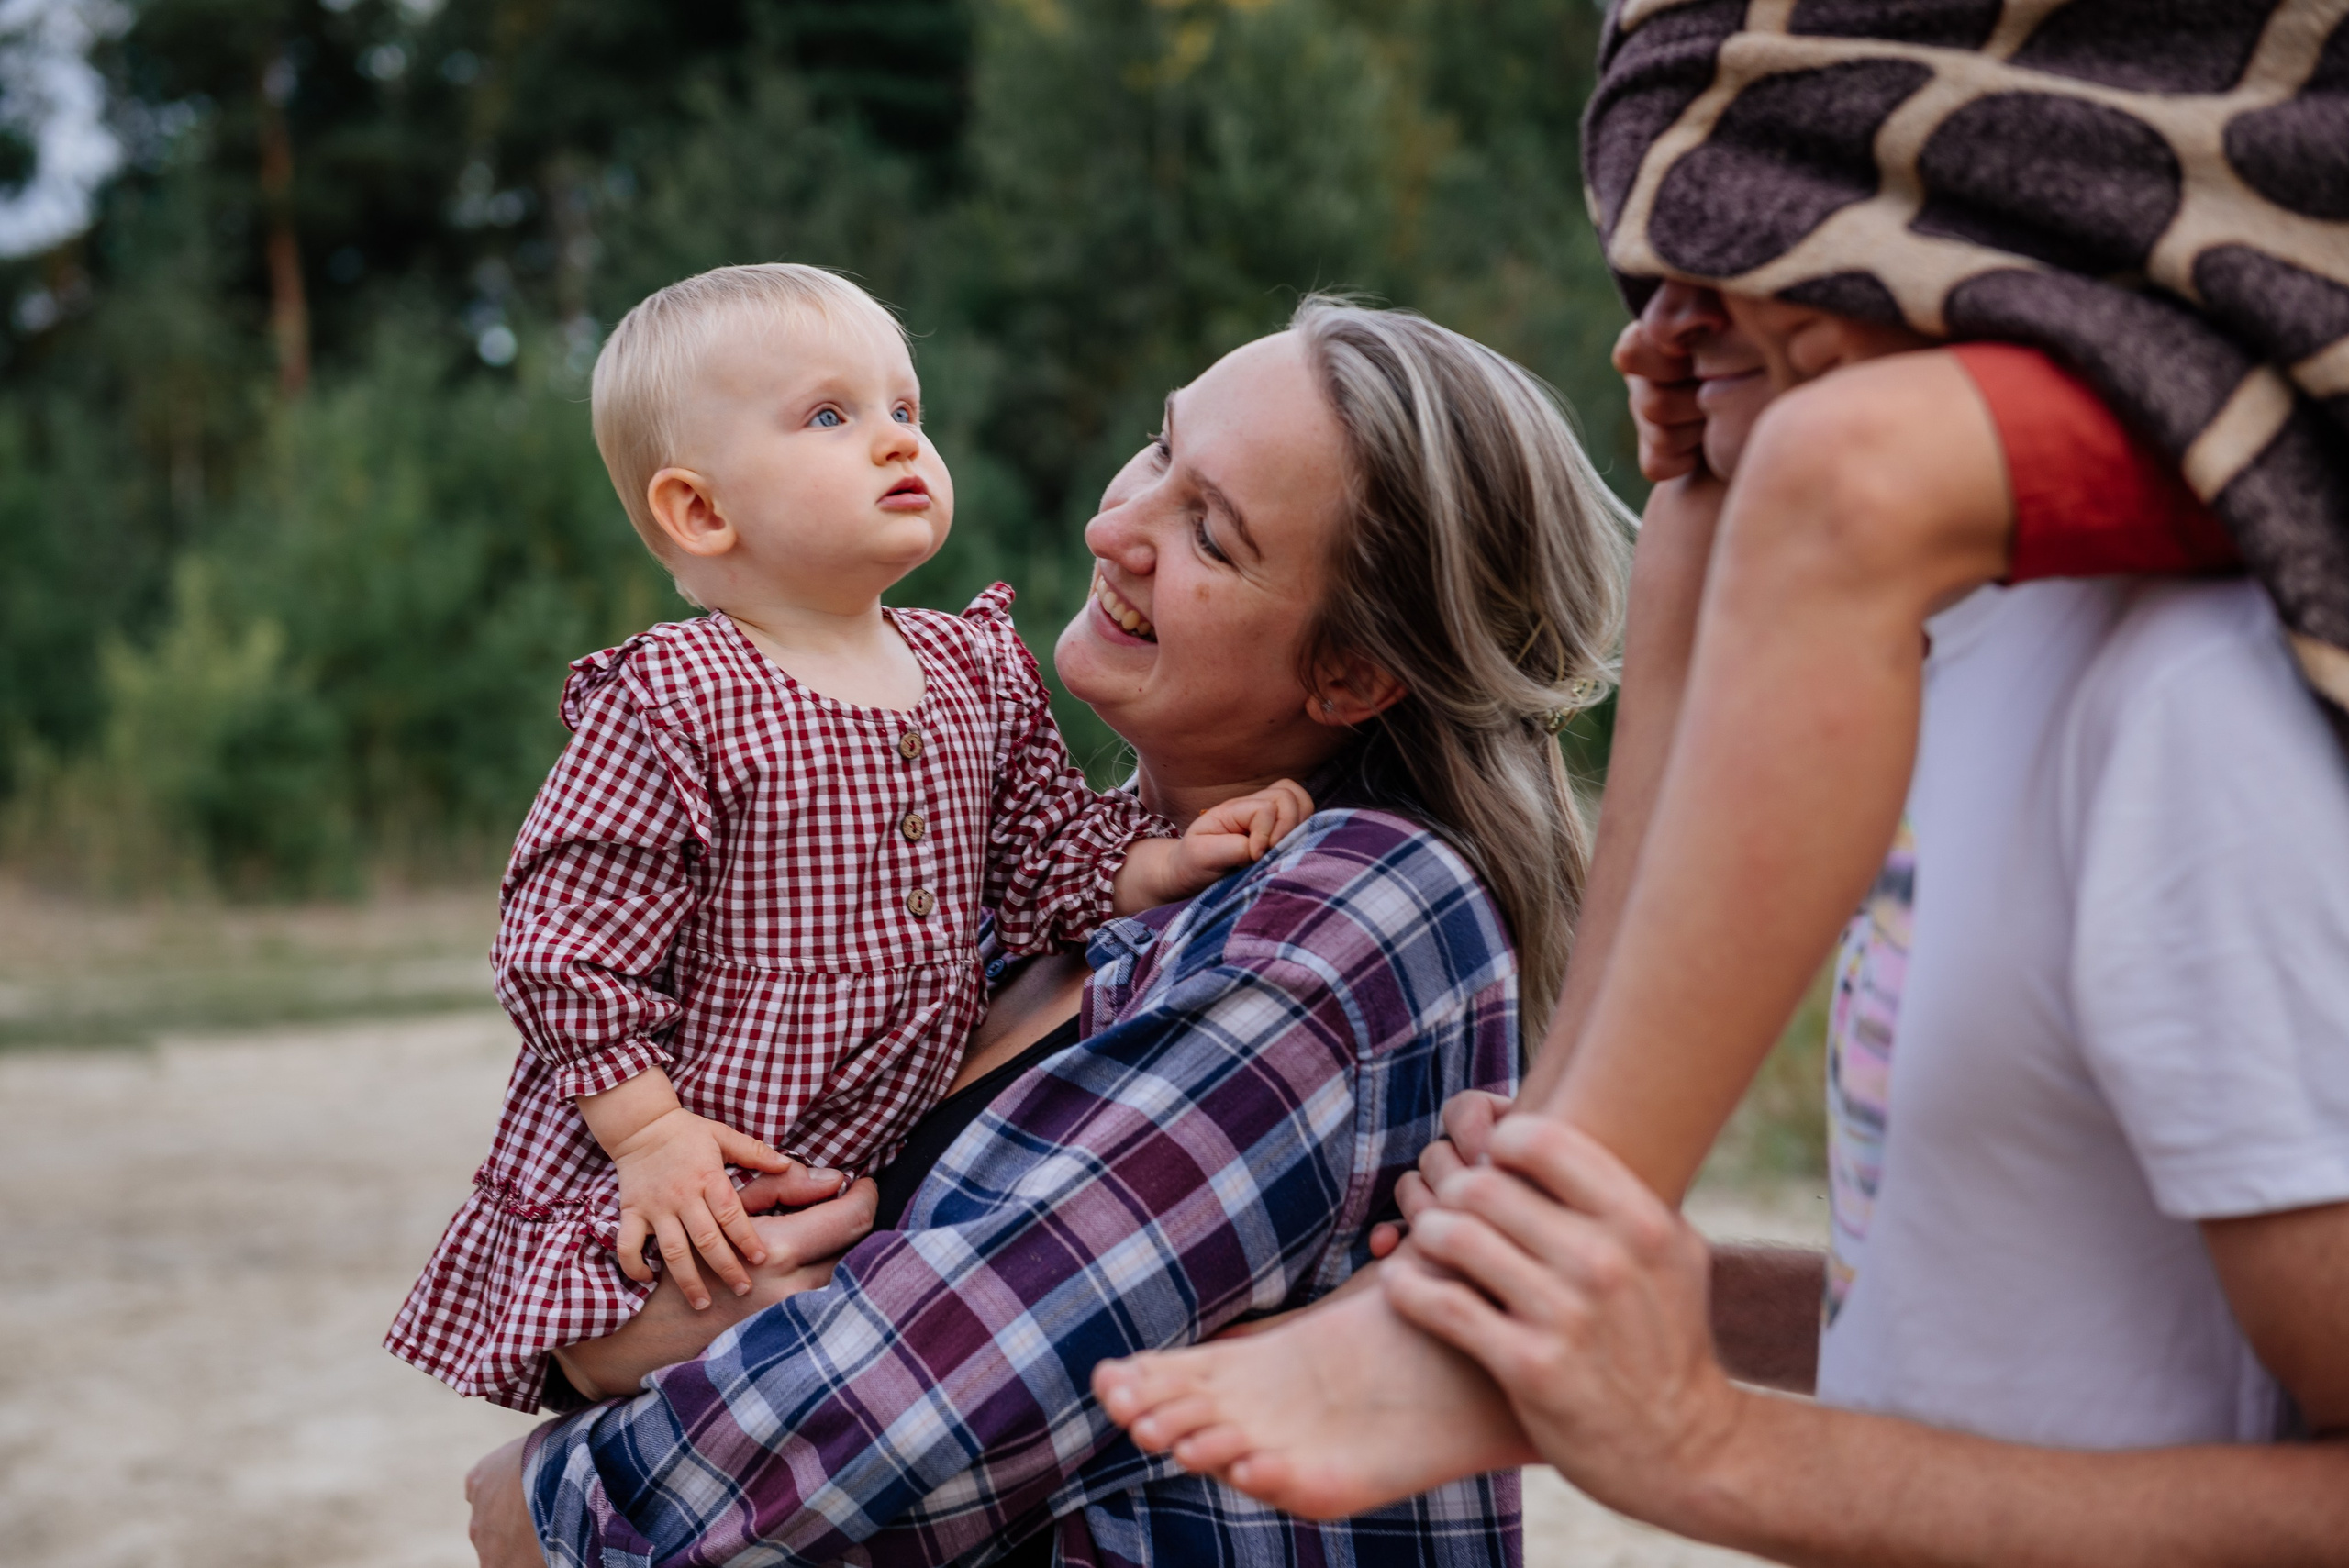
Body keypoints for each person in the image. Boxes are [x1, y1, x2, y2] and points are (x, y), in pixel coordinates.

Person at [1092, 0, 2349, 1524]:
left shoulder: (2185, 721)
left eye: (1745, 252)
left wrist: (1713, 1450)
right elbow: (2029, 1300)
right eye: (1653, 263)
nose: (1661, 331)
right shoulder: (1943, 655)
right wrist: (1576, 1307)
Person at [459, 297, 1633, 1565]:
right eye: (1158, 446)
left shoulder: (1355, 910)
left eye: (1210, 534)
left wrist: (550, 1498)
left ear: (1348, 672)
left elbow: (938, 1393)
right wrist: (601, 1340)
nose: (1110, 525)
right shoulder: (1046, 867)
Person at [387, 262, 1308, 1413]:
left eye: (905, 411)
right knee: (665, 1390)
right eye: (832, 416)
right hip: (699, 1164)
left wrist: (1160, 863)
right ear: (700, 511)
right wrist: (651, 1133)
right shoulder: (679, 697)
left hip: (862, 1176)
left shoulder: (972, 669)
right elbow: (563, 941)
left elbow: (1039, 860)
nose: (895, 442)